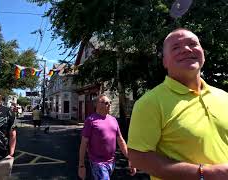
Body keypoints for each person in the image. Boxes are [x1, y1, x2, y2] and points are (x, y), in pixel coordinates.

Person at [128, 28, 228, 180]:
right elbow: (138, 157)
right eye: (176, 47)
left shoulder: (224, 96)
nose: (186, 49)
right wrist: (204, 174)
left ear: (203, 53)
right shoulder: (149, 103)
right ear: (165, 61)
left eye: (193, 44)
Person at [78, 94, 136, 180]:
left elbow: (120, 140)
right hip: (97, 162)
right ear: (97, 104)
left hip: (111, 162)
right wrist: (81, 165)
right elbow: (84, 143)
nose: (109, 104)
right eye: (106, 103)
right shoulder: (90, 121)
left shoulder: (113, 120)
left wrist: (130, 159)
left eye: (110, 102)